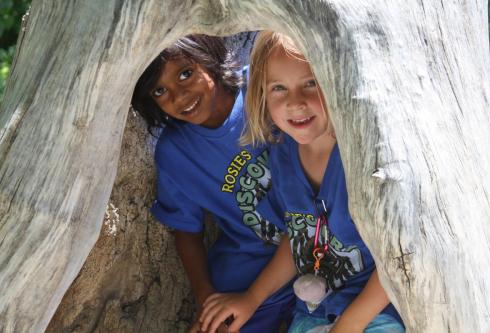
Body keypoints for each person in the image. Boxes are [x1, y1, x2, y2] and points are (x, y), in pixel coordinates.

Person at [199, 31, 405, 333]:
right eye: (279, 88)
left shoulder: (364, 156)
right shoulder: (282, 155)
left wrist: (347, 326)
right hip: (312, 313)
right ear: (262, 97)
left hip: (374, 314)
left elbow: (400, 258)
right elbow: (299, 237)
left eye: (311, 83)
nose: (296, 103)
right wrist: (251, 299)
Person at [131, 34, 295, 333]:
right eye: (159, 90)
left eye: (185, 73)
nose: (179, 96)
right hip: (247, 271)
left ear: (208, 56)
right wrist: (205, 296)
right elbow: (185, 229)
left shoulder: (262, 87)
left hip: (320, 249)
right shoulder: (175, 153)